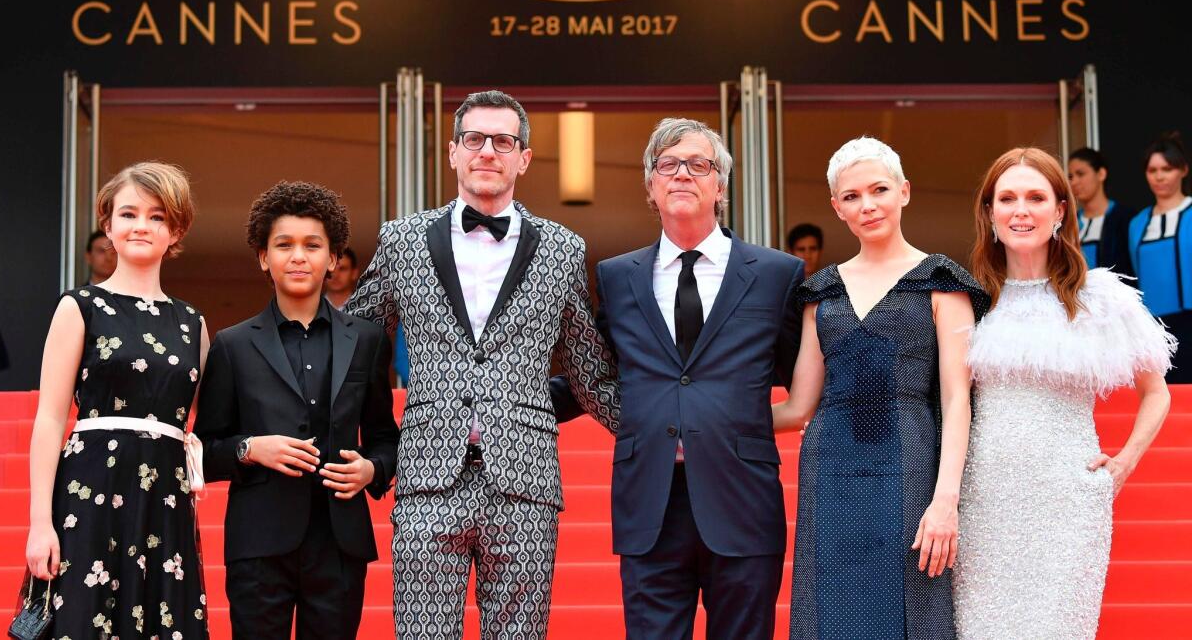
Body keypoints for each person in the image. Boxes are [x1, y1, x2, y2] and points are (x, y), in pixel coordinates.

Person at [345, 89, 619, 639]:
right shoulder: (401, 240)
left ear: (524, 157)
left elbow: (590, 368)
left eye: (503, 140)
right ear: (453, 153)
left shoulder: (563, 248)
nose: (487, 151)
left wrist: (665, 435)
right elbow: (354, 343)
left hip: (525, 479)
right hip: (427, 475)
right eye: (474, 139)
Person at [587, 118, 802, 639]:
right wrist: (511, 398)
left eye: (698, 164)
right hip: (649, 503)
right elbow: (591, 374)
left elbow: (805, 376)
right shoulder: (617, 278)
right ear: (650, 185)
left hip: (742, 498)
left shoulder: (777, 275)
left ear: (720, 185)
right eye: (668, 164)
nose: (682, 174)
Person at [955, 147, 1174, 639]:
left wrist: (1126, 460)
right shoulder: (968, 300)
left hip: (1068, 502)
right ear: (990, 213)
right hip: (984, 503)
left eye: (1036, 197)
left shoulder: (1099, 296)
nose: (1021, 210)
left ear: (1059, 210)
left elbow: (1156, 392)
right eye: (1007, 198)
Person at [773, 136, 985, 639]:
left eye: (879, 190)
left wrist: (946, 501)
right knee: (831, 616)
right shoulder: (819, 291)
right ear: (836, 207)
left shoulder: (941, 281)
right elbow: (800, 406)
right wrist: (714, 421)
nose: (867, 205)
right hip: (830, 474)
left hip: (912, 470)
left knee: (911, 612)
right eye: (851, 197)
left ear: (904, 192)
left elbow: (958, 400)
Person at [194, 181, 399, 638]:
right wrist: (250, 448)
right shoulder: (231, 345)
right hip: (258, 543)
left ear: (333, 259)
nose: (298, 256)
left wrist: (371, 470)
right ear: (264, 257)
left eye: (313, 245)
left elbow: (386, 438)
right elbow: (203, 450)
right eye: (283, 245)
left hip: (340, 540)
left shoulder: (367, 340)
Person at [24, 161, 208, 638]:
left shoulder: (194, 323)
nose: (141, 226)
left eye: (157, 216)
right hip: (89, 492)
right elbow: (48, 421)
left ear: (177, 229)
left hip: (166, 498)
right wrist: (40, 523)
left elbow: (210, 423)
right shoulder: (78, 306)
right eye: (128, 214)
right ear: (108, 224)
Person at [1129, 132, 1192, 382]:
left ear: (1183, 170)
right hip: (1153, 329)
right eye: (1152, 169)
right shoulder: (1137, 223)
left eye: (1167, 168)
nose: (1159, 176)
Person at [1069, 148, 1133, 277]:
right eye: (1071, 176)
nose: (1074, 182)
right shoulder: (1068, 222)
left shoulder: (1126, 218)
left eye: (1080, 174)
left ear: (1101, 174)